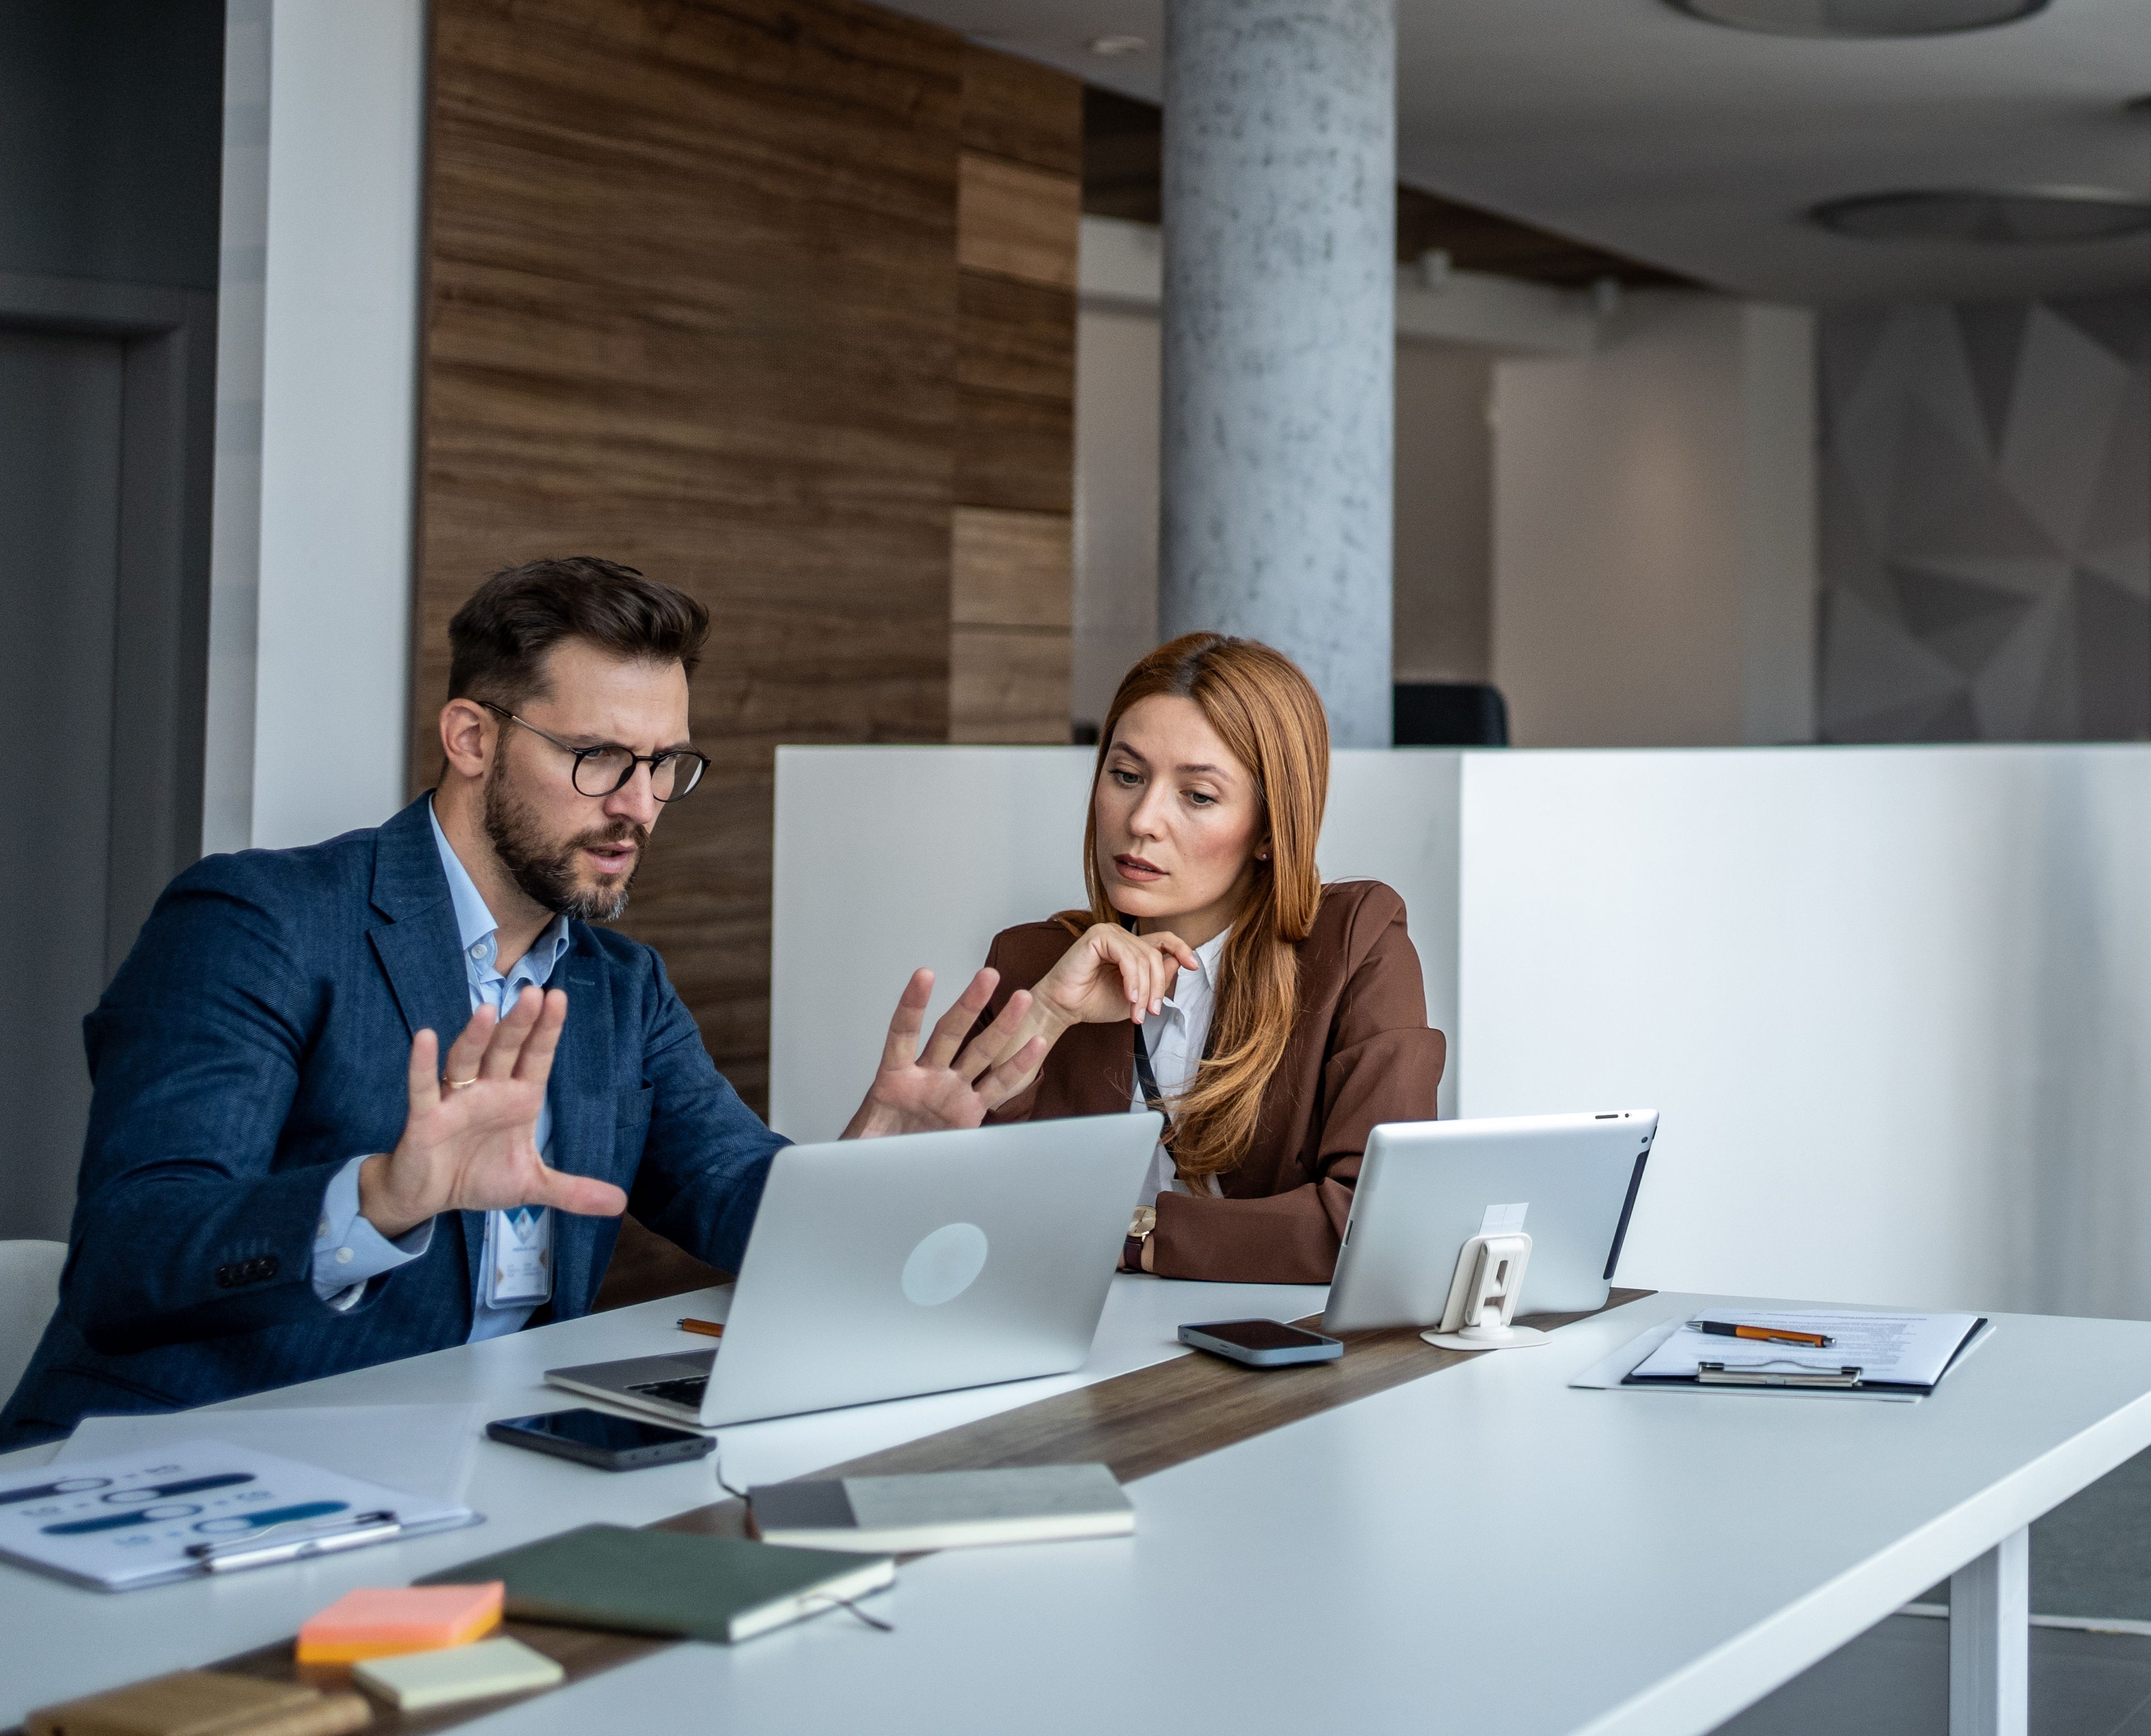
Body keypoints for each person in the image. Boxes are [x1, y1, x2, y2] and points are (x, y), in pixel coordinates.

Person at [3, 558, 1048, 1445]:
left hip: (483, 1468)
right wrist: (379, 1198)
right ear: (471, 738)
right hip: (199, 1460)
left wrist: (867, 1172)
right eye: (598, 759)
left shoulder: (617, 987)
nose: (639, 806)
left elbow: (733, 1187)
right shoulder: (260, 919)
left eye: (665, 766)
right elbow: (129, 1255)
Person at [972, 631, 1444, 1284]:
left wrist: (1138, 1236)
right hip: (1066, 1345)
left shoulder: (1353, 945)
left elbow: (1382, 1224)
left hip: (1269, 1358)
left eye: (1197, 795)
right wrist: (1046, 1017)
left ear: (1270, 830)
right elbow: (949, 1206)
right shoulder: (1036, 964)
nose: (1142, 819)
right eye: (1127, 776)